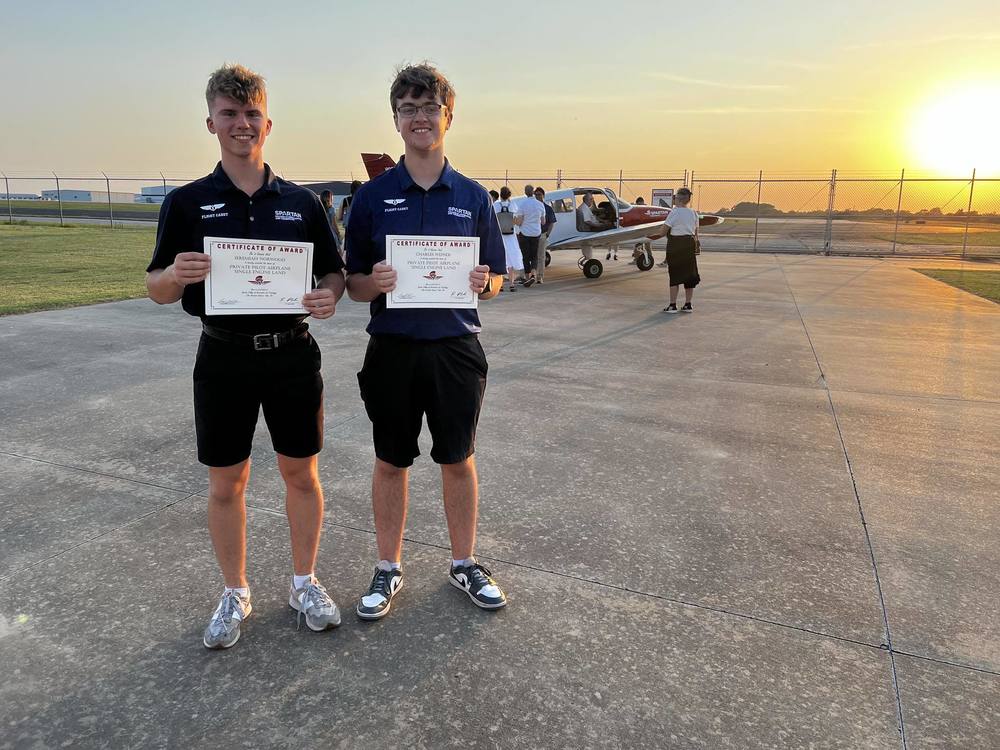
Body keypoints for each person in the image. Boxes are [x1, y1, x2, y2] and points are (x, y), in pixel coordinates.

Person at [145, 63, 347, 649]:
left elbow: (333, 273)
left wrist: (328, 297)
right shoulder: (188, 203)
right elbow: (155, 284)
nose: (241, 124)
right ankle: (235, 591)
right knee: (226, 482)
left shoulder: (303, 204)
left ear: (268, 123)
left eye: (251, 114)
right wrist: (174, 277)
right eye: (229, 114)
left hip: (291, 354)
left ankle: (303, 580)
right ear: (211, 123)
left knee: (300, 474)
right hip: (223, 356)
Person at [344, 63, 508, 619]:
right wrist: (377, 281)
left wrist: (486, 282)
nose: (419, 117)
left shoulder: (473, 196)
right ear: (396, 119)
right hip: (392, 346)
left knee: (457, 459)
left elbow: (499, 278)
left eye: (429, 108)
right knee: (391, 461)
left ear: (448, 116)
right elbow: (354, 285)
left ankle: (464, 563)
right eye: (408, 109)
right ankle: (388, 567)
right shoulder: (372, 199)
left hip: (455, 347)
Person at [661, 186, 700, 313]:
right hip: (689, 244)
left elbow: (663, 232)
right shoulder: (694, 213)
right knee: (689, 274)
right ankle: (688, 304)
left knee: (675, 274)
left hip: (676, 245)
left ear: (678, 198)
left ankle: (672, 305)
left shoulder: (675, 212)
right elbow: (696, 233)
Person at [494, 185, 524, 292]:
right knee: (511, 259)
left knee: (501, 258)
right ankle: (511, 284)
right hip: (511, 236)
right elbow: (517, 221)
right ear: (509, 195)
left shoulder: (496, 205)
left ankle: (500, 284)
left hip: (500, 235)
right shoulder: (513, 205)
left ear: (500, 195)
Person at [516, 183, 545, 287]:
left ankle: (527, 278)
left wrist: (516, 222)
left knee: (525, 256)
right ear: (532, 192)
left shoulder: (522, 204)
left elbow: (519, 221)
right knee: (534, 256)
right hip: (536, 233)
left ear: (525, 192)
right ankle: (533, 274)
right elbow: (543, 222)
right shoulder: (540, 205)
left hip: (525, 233)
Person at [534, 186, 556, 285]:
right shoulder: (532, 207)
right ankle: (529, 275)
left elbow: (552, 222)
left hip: (542, 234)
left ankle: (539, 277)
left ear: (543, 196)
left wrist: (547, 234)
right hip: (531, 235)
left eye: (539, 195)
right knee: (530, 256)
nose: (537, 196)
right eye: (536, 195)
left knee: (541, 257)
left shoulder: (548, 209)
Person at [320, 189, 344, 259]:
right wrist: (338, 233)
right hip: (331, 234)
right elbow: (333, 224)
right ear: (330, 198)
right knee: (339, 253)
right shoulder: (331, 209)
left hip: (322, 233)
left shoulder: (319, 208)